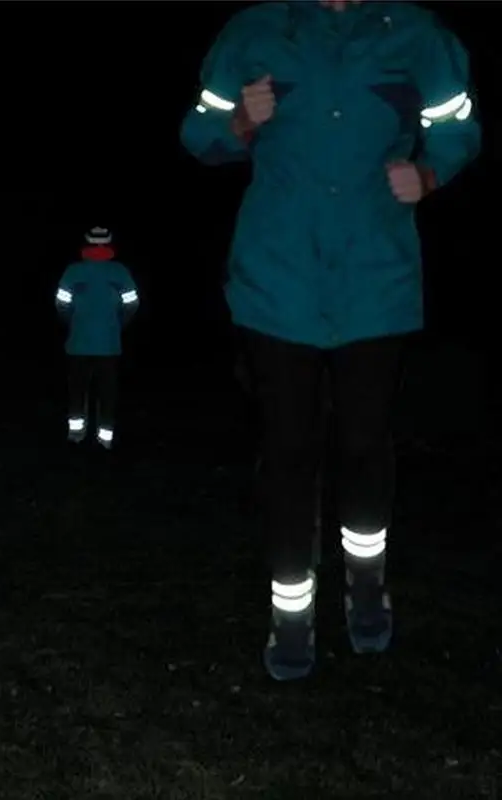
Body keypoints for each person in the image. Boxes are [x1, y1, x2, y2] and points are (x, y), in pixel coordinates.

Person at [181, 0, 480, 680]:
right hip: (274, 283)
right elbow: (198, 136)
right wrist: (238, 122)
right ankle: (291, 618)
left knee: (365, 444)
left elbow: (458, 128)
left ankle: (367, 588)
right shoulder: (256, 30)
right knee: (288, 451)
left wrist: (431, 173)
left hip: (376, 283)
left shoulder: (416, 33)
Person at [55, 227, 139, 450]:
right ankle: (105, 441)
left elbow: (61, 305)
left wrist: (74, 323)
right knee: (107, 394)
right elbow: (132, 304)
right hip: (109, 345)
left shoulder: (73, 272)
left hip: (77, 344)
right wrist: (118, 324)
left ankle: (76, 437)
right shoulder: (119, 272)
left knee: (77, 392)